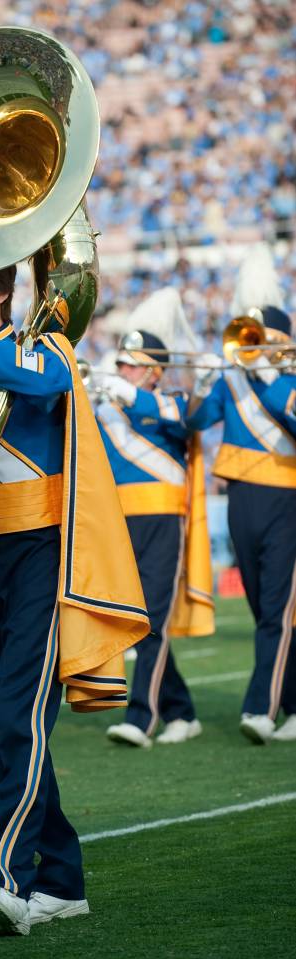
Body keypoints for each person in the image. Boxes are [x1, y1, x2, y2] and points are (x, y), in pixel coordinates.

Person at [0, 266, 148, 936]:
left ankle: (5, 875)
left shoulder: (40, 348)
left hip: (38, 549)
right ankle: (62, 882)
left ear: (3, 292)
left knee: (19, 712)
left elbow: (44, 385)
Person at [89, 289, 214, 748]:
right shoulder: (107, 410)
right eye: (121, 365)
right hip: (118, 523)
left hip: (162, 520)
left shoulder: (172, 401)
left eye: (132, 366)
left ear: (155, 373)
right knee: (135, 621)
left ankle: (142, 717)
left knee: (153, 620)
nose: (122, 372)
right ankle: (182, 710)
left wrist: (124, 394)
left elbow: (187, 419)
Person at [186, 247, 296, 744]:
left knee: (275, 609)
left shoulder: (286, 378)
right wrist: (207, 380)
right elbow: (195, 422)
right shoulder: (234, 380)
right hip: (240, 500)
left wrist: (267, 376)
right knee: (264, 608)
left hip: (286, 498)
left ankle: (260, 708)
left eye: (265, 340)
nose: (255, 347)